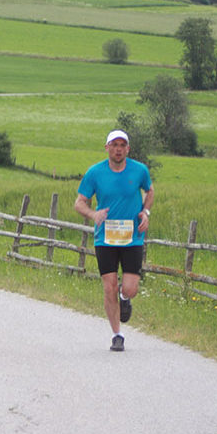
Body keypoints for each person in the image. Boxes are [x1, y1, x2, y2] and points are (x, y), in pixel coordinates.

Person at [73, 130, 155, 352]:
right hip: (105, 238)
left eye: (122, 145)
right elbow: (79, 202)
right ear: (107, 147)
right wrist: (93, 215)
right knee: (108, 286)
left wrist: (145, 213)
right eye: (114, 145)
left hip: (132, 237)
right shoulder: (94, 173)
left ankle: (124, 297)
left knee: (130, 288)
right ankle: (117, 334)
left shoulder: (139, 170)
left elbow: (150, 191)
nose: (118, 149)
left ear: (128, 148)